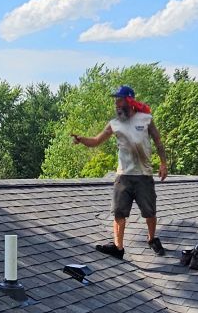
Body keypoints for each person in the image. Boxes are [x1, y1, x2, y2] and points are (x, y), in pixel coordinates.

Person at [72, 85, 169, 258]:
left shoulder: (146, 119)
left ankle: (152, 239)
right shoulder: (114, 124)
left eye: (119, 100)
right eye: (115, 100)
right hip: (123, 175)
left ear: (129, 101)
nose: (116, 103)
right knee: (118, 212)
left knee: (149, 212)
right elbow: (96, 141)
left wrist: (163, 163)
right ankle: (118, 247)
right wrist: (82, 139)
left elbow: (158, 141)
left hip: (144, 175)